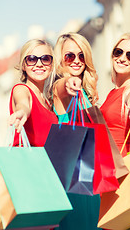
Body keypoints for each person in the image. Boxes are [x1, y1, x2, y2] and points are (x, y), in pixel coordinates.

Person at [52, 32, 101, 230]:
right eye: (70, 56)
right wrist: (69, 83)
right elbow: (61, 87)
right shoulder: (60, 89)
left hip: (92, 178)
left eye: (81, 56)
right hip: (71, 181)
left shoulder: (86, 94)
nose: (77, 61)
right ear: (60, 61)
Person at [8, 39, 58, 146]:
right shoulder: (21, 89)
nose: (39, 64)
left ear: (52, 65)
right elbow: (23, 103)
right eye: (31, 59)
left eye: (45, 59)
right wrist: (21, 112)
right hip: (26, 161)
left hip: (46, 161)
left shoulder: (48, 102)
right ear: (23, 65)